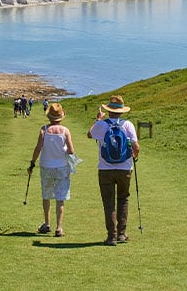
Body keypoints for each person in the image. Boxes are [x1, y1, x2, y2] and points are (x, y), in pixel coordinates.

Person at [87, 95, 140, 246]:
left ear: (108, 111)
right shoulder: (128, 125)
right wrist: (133, 158)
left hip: (105, 169)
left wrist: (98, 119)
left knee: (108, 202)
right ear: (122, 111)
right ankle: (122, 234)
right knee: (123, 199)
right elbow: (136, 147)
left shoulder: (102, 125)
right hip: (125, 168)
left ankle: (111, 236)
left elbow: (89, 134)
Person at [27, 102, 75, 237]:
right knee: (60, 198)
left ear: (49, 117)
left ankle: (47, 224)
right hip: (61, 167)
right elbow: (71, 151)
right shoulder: (65, 131)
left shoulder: (44, 130)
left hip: (46, 166)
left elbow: (38, 148)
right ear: (61, 117)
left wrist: (32, 163)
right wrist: (64, 150)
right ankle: (59, 228)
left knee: (46, 195)